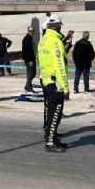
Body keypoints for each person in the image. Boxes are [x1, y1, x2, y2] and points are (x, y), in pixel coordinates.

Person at [39, 16, 69, 153]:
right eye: (59, 25)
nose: (61, 27)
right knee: (55, 112)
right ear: (56, 26)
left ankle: (53, 138)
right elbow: (60, 65)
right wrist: (65, 87)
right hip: (55, 81)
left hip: (45, 79)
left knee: (51, 112)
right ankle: (50, 142)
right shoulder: (55, 41)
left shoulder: (43, 39)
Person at [22, 25, 37, 92]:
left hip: (32, 59)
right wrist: (29, 60)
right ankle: (29, 88)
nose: (32, 32)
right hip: (29, 60)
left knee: (33, 73)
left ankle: (27, 86)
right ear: (28, 31)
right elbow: (25, 51)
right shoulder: (26, 39)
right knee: (30, 74)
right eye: (30, 31)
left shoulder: (30, 38)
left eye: (33, 31)